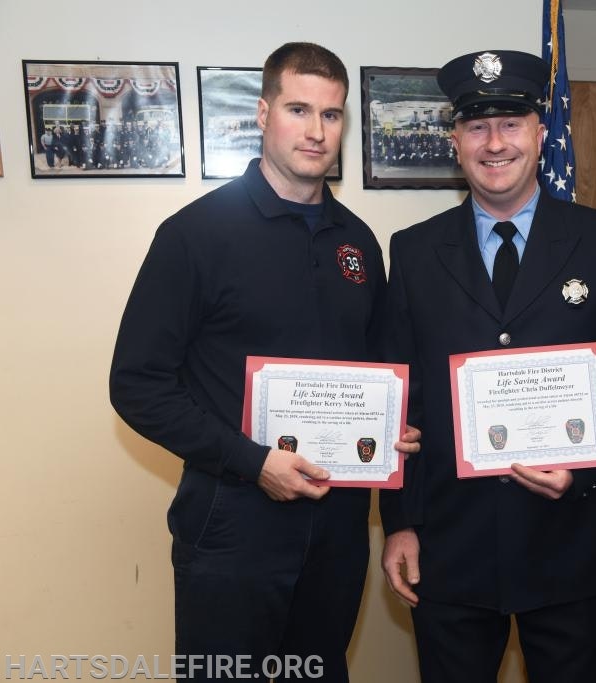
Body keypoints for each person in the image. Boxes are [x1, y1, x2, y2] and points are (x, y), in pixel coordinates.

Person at [109, 42, 418, 682]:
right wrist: (256, 464)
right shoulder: (195, 235)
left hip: (336, 525)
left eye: (332, 115)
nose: (315, 131)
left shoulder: (357, 242)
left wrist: (392, 430)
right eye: (298, 109)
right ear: (262, 112)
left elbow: (373, 371)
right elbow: (137, 384)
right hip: (232, 523)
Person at [379, 49, 596, 683]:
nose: (495, 142)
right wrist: (399, 524)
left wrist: (584, 462)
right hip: (451, 548)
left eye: (511, 123)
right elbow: (405, 400)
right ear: (456, 141)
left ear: (541, 133)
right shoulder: (415, 252)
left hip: (572, 542)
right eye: (477, 126)